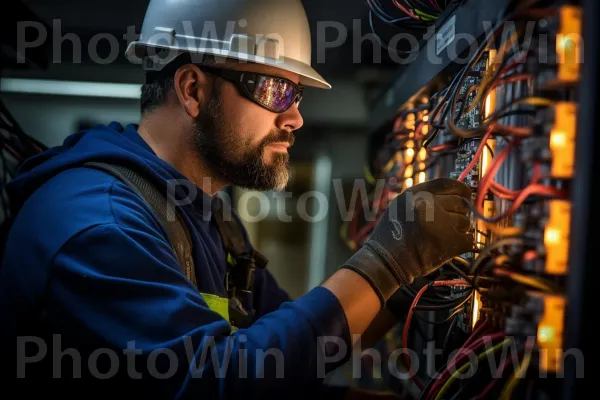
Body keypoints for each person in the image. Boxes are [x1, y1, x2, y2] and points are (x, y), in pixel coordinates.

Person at [0, 0, 474, 398]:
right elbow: (220, 381)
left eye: (298, 95)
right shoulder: (98, 223)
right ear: (192, 89)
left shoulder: (205, 214)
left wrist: (403, 290)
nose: (294, 119)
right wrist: (386, 263)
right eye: (274, 89)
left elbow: (288, 351)